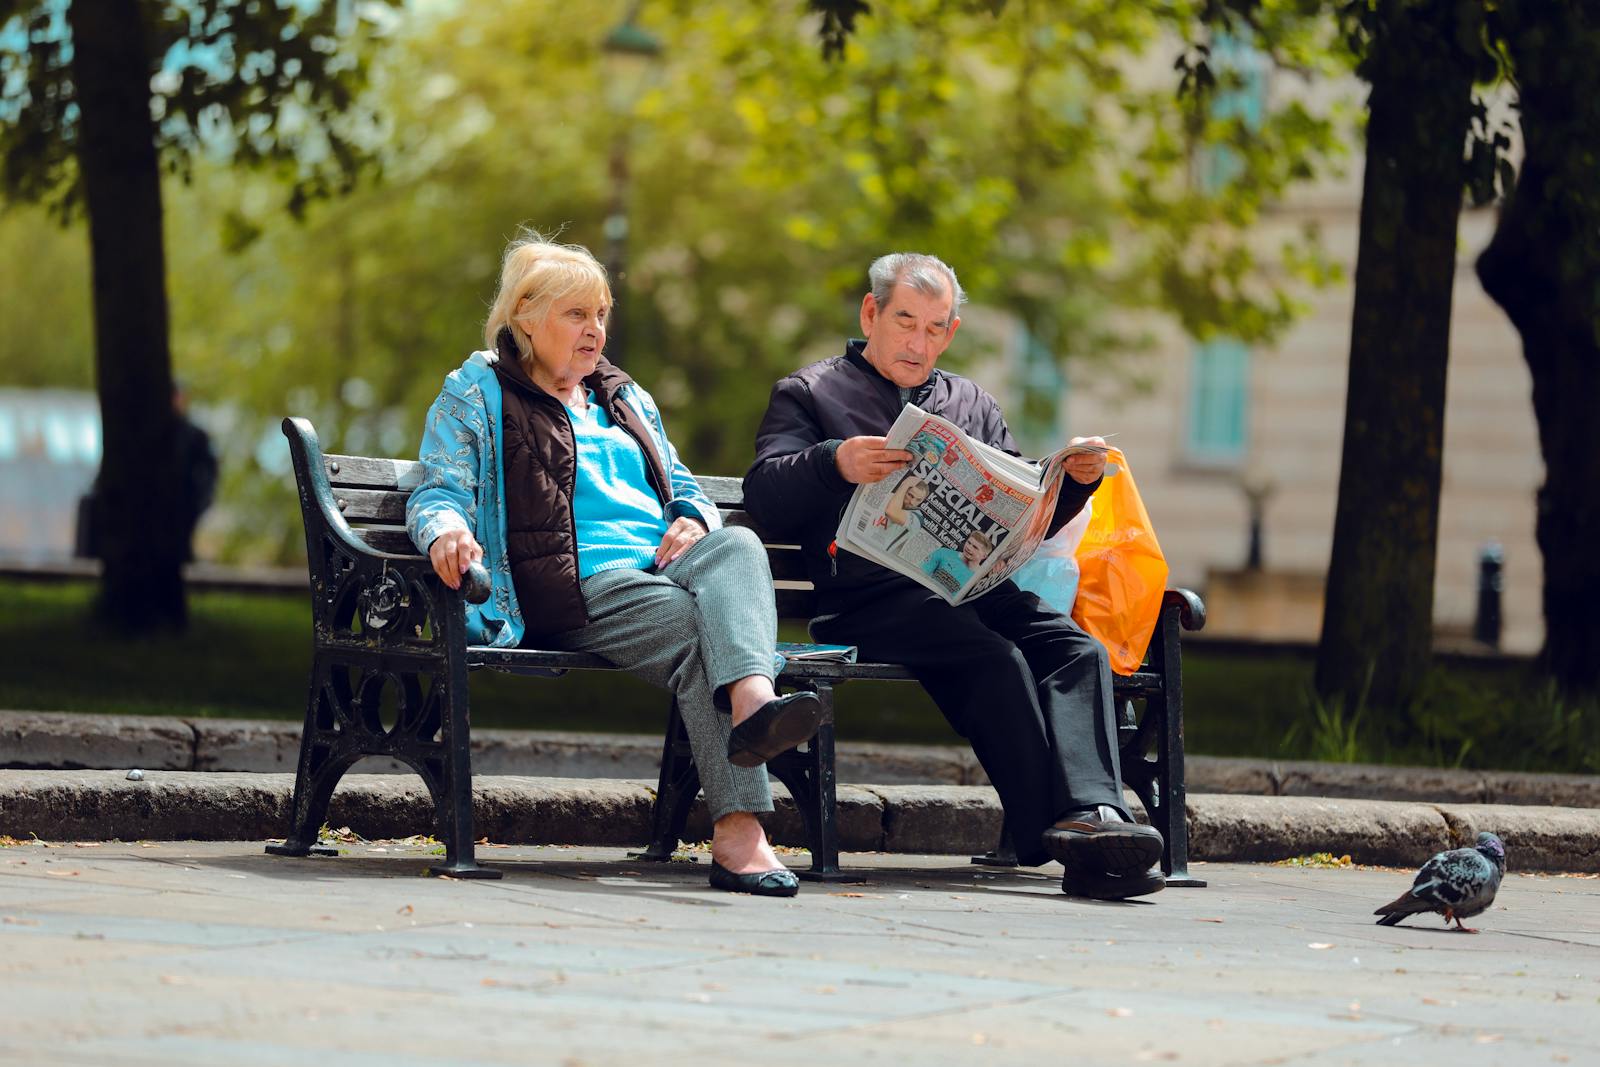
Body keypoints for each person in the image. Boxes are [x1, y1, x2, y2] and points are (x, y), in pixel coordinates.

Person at [407, 232, 823, 898]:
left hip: (666, 569)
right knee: (701, 632)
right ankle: (741, 833)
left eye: (600, 314)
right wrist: (446, 533)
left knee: (739, 544)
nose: (594, 330)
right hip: (575, 584)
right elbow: (438, 489)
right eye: (576, 314)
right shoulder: (478, 390)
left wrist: (693, 518)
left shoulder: (625, 397)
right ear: (525, 318)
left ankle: (753, 702)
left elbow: (683, 484)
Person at [744, 252, 1165, 900]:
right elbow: (764, 493)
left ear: (952, 332)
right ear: (871, 313)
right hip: (868, 600)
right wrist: (834, 462)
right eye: (905, 322)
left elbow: (1024, 516)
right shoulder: (809, 392)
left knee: (1075, 649)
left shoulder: (971, 402)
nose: (919, 343)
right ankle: (1070, 838)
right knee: (995, 659)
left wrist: (1073, 487)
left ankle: (1096, 811)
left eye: (935, 328)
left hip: (973, 586)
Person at [921, 528, 995, 594]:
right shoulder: (943, 553)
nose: (969, 547)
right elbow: (921, 573)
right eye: (969, 542)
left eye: (975, 547)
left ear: (984, 556)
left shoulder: (980, 578)